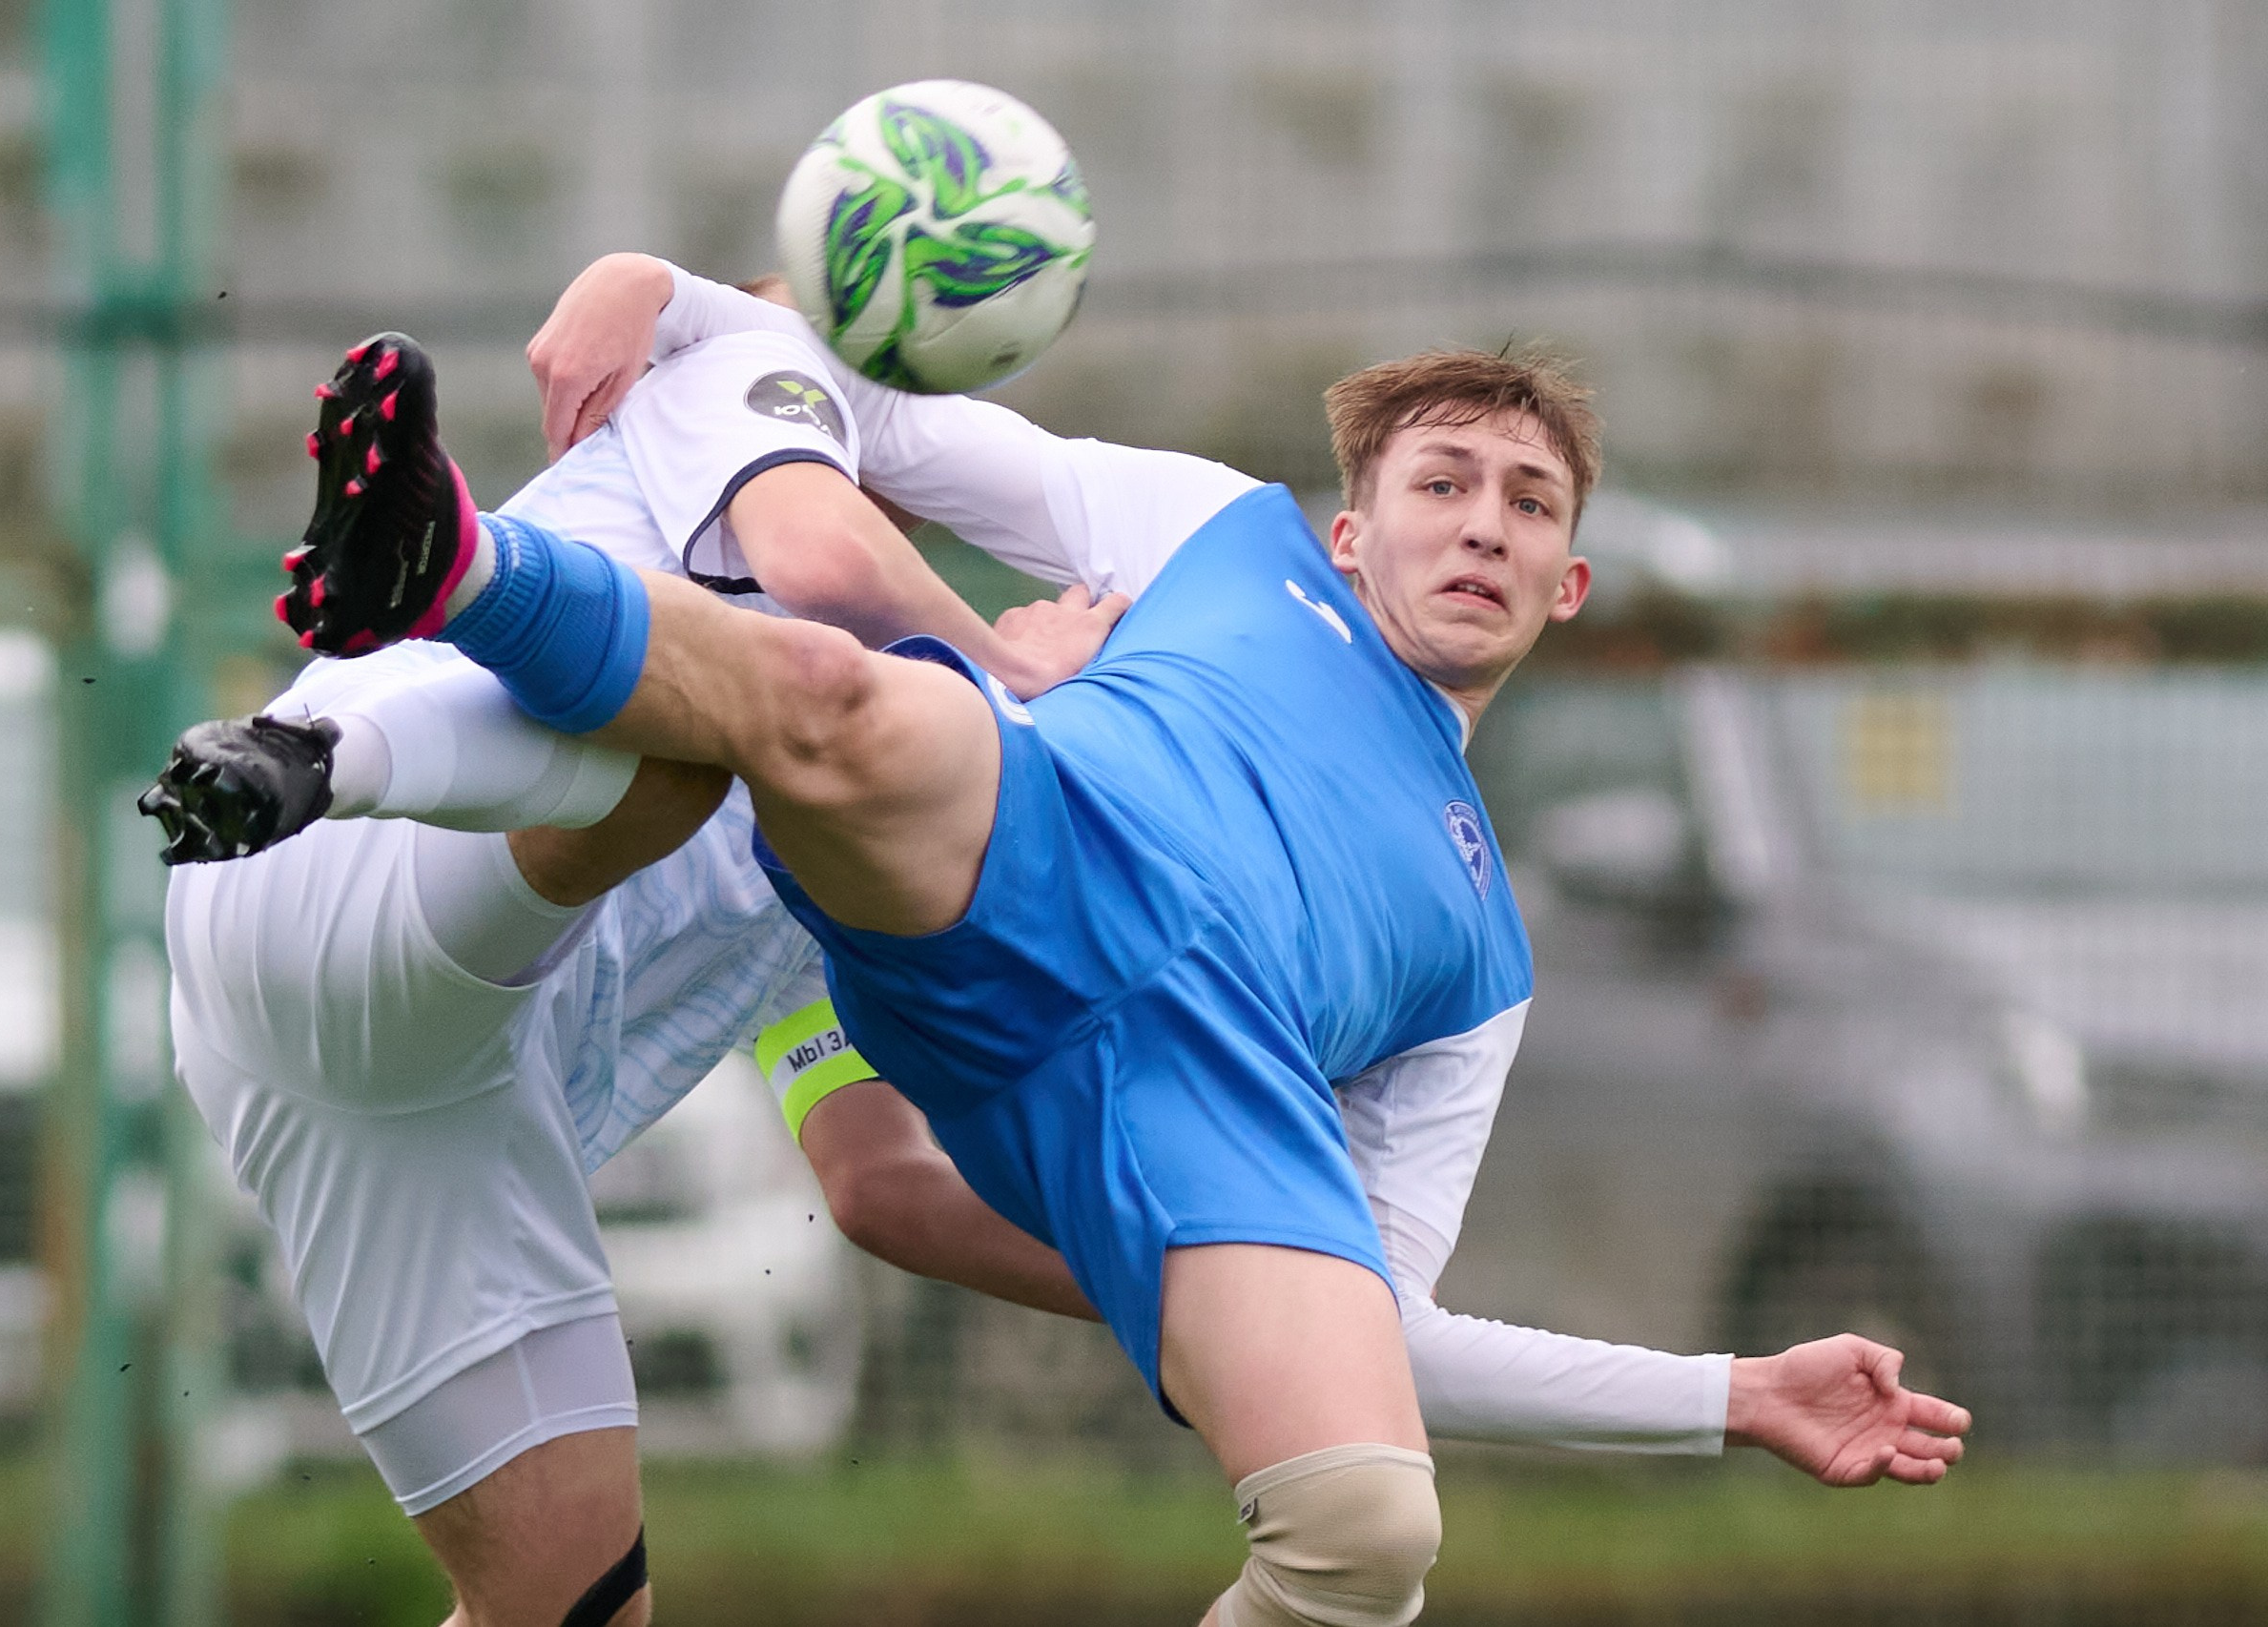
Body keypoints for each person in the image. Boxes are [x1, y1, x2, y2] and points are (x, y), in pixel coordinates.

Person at [241, 257, 1971, 1627]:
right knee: (844, 693)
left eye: (1531, 506)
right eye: (1446, 482)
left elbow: (1384, 1326)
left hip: (1207, 1112)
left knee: (1367, 1532)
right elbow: (856, 411)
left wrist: (1734, 1394)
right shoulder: (1225, 536)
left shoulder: (1481, 952)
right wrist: (669, 291)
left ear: (1567, 586)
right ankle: (445, 559)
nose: (1487, 525)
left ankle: (437, 632)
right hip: (1026, 860)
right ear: (1355, 528)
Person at [146, 318, 1116, 1627]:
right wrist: (1013, 669)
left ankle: (330, 729)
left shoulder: (880, 816)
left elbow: (883, 1183)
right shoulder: (719, 447)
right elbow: (804, 517)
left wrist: (1192, 1278)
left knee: (570, 1607)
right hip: (355, 855)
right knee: (699, 723)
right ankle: (332, 728)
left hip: (423, 1103)